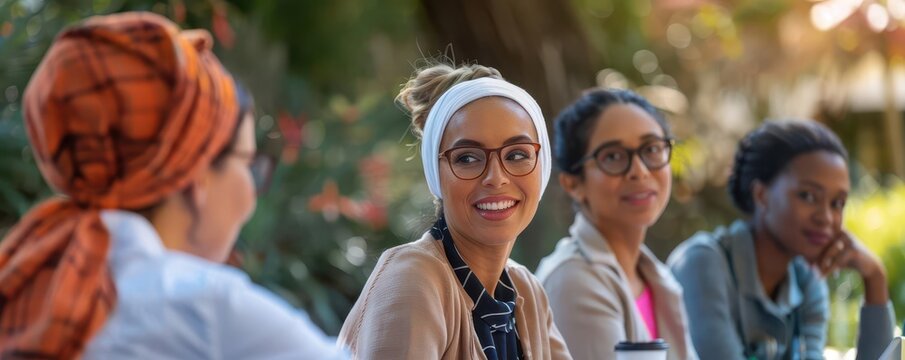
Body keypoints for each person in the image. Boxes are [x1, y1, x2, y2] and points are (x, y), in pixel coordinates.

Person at [0, 12, 345, 359]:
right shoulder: (208, 312)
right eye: (247, 164)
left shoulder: (22, 291)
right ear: (196, 175)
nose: (251, 199)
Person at [338, 63, 572, 359]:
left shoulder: (527, 291)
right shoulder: (414, 279)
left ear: (543, 167)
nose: (496, 177)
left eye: (516, 154)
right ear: (436, 175)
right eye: (467, 158)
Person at [667, 119, 894, 360]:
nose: (826, 217)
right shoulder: (702, 263)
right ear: (761, 195)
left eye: (837, 203)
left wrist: (875, 277)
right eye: (808, 196)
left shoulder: (806, 281)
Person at [535, 89, 697, 360]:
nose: (640, 171)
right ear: (573, 183)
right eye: (612, 156)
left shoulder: (655, 276)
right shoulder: (573, 281)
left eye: (652, 149)